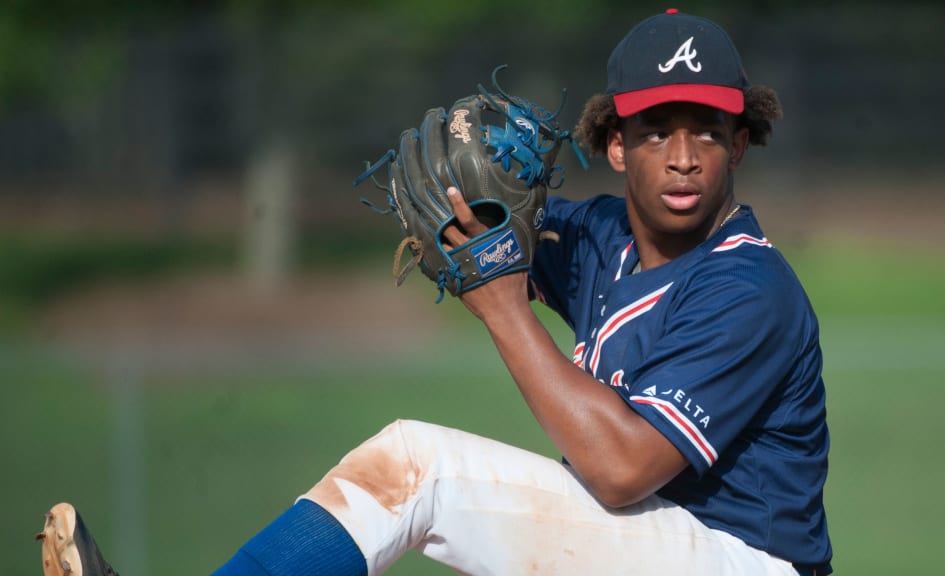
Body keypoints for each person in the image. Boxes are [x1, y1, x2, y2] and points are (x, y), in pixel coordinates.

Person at [38, 8, 832, 576]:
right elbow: (480, 230)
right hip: (638, 545)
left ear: (742, 143)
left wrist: (503, 305)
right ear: (616, 146)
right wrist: (472, 190)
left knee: (419, 469)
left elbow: (621, 469)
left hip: (741, 558)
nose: (685, 156)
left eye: (707, 131)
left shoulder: (749, 286)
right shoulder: (598, 238)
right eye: (658, 131)